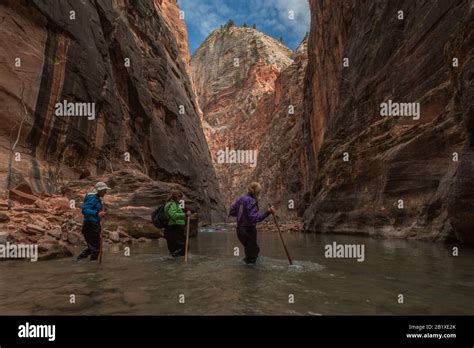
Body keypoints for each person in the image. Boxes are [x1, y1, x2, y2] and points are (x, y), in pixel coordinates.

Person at [228, 182, 275, 264]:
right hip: (248, 230)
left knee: (253, 251)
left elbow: (232, 212)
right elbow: (255, 218)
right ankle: (250, 274)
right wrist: (268, 212)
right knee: (253, 254)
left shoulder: (240, 199)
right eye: (259, 192)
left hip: (240, 230)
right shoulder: (252, 201)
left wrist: (242, 214)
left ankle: (247, 272)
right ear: (256, 192)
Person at [77, 181, 110, 261]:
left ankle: (78, 260)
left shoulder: (97, 198)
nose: (106, 192)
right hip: (90, 225)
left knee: (92, 247)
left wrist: (101, 213)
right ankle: (93, 269)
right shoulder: (92, 197)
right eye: (105, 190)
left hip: (94, 224)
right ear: (100, 190)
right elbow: (84, 210)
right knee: (96, 249)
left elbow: (95, 210)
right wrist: (97, 213)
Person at [164, 189, 191, 258]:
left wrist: (186, 212)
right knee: (182, 246)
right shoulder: (171, 204)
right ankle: (174, 257)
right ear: (176, 197)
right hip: (175, 226)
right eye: (180, 197)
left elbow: (180, 211)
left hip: (178, 226)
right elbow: (173, 215)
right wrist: (185, 215)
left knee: (181, 246)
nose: (181, 199)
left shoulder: (177, 204)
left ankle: (176, 259)